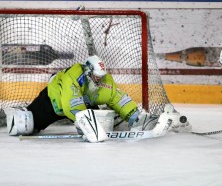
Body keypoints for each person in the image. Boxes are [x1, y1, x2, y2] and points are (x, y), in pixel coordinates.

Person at [4, 55, 191, 142]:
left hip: (81, 105)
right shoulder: (73, 77)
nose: (98, 80)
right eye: (95, 76)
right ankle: (15, 115)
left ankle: (119, 121)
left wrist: (135, 117)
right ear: (87, 71)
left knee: (109, 116)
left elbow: (119, 99)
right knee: (25, 125)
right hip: (53, 103)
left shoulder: (105, 80)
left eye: (101, 77)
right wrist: (85, 124)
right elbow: (72, 105)